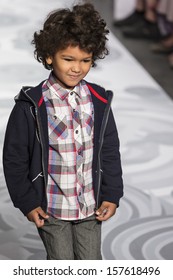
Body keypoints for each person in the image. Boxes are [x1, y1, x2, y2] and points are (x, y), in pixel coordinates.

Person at [3, 2, 123, 260]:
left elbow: (109, 150)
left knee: (91, 265)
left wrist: (112, 193)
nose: (77, 68)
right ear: (49, 56)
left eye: (86, 60)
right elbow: (14, 158)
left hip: (90, 207)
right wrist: (27, 201)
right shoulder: (31, 105)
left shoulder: (98, 101)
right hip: (52, 208)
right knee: (61, 265)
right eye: (68, 59)